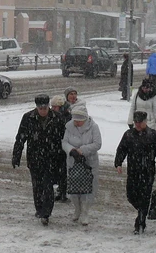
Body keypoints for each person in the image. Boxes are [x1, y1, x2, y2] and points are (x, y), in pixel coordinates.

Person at [13, 94, 65, 226]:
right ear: (36, 107)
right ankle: (39, 208)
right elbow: (20, 138)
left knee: (48, 186)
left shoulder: (57, 118)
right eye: (40, 108)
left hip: (52, 157)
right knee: (37, 186)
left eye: (45, 108)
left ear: (48, 106)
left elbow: (64, 138)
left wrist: (63, 157)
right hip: (35, 158)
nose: (43, 110)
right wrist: (16, 156)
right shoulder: (28, 118)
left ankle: (46, 213)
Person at [115, 110, 156, 235]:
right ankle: (142, 211)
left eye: (140, 122)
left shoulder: (154, 135)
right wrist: (118, 163)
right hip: (133, 171)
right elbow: (121, 149)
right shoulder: (128, 135)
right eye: (136, 122)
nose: (137, 125)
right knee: (131, 195)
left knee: (145, 197)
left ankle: (140, 222)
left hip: (147, 171)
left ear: (145, 122)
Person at [62, 102, 102, 226]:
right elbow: (64, 141)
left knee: (88, 188)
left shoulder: (94, 127)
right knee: (74, 187)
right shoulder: (69, 127)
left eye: (79, 120)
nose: (77, 123)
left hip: (89, 162)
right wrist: (71, 150)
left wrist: (83, 150)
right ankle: (77, 209)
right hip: (73, 162)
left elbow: (97, 144)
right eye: (75, 120)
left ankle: (85, 211)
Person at [50, 95, 70, 202]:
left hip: (64, 149)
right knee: (56, 171)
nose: (53, 109)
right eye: (52, 107)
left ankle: (63, 191)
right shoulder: (53, 117)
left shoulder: (67, 118)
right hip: (55, 149)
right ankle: (59, 191)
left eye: (55, 107)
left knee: (63, 172)